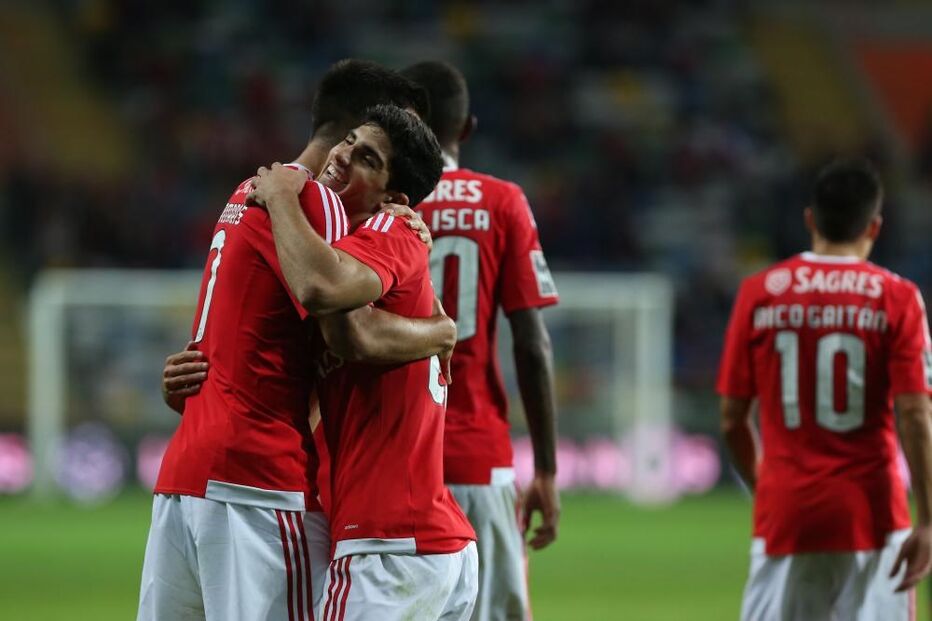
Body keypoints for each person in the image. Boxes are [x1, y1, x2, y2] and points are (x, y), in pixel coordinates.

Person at [140, 60, 455, 621]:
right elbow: (340, 318)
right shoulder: (314, 207)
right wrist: (440, 330)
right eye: (379, 136)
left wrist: (188, 381)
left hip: (185, 479)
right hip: (257, 480)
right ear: (356, 128)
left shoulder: (244, 192)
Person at [249, 103, 478, 621]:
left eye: (367, 156)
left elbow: (333, 304)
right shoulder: (359, 250)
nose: (344, 152)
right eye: (349, 138)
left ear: (394, 198)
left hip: (387, 545)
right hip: (428, 543)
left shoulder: (390, 235)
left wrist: (284, 197)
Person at [717, 157, 932, 620]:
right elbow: (914, 413)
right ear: (874, 227)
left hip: (789, 515)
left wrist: (766, 486)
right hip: (875, 516)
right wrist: (930, 519)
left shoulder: (760, 292)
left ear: (810, 219)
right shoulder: (898, 298)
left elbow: (732, 419)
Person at [399, 60, 561, 621]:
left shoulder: (373, 204)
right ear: (466, 129)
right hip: (478, 457)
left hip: (388, 458)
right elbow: (532, 344)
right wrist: (545, 469)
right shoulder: (502, 202)